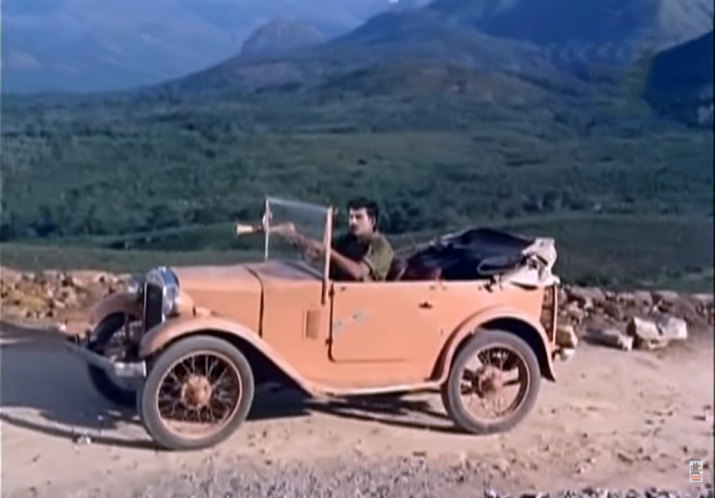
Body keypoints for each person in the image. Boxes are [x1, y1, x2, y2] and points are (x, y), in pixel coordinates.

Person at [276, 197, 394, 282]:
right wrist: (295, 237)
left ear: (372, 221)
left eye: (358, 217)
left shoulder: (380, 246)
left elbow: (358, 272)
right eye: (350, 217)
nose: (352, 222)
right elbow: (319, 253)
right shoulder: (348, 239)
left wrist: (329, 252)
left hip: (361, 298)